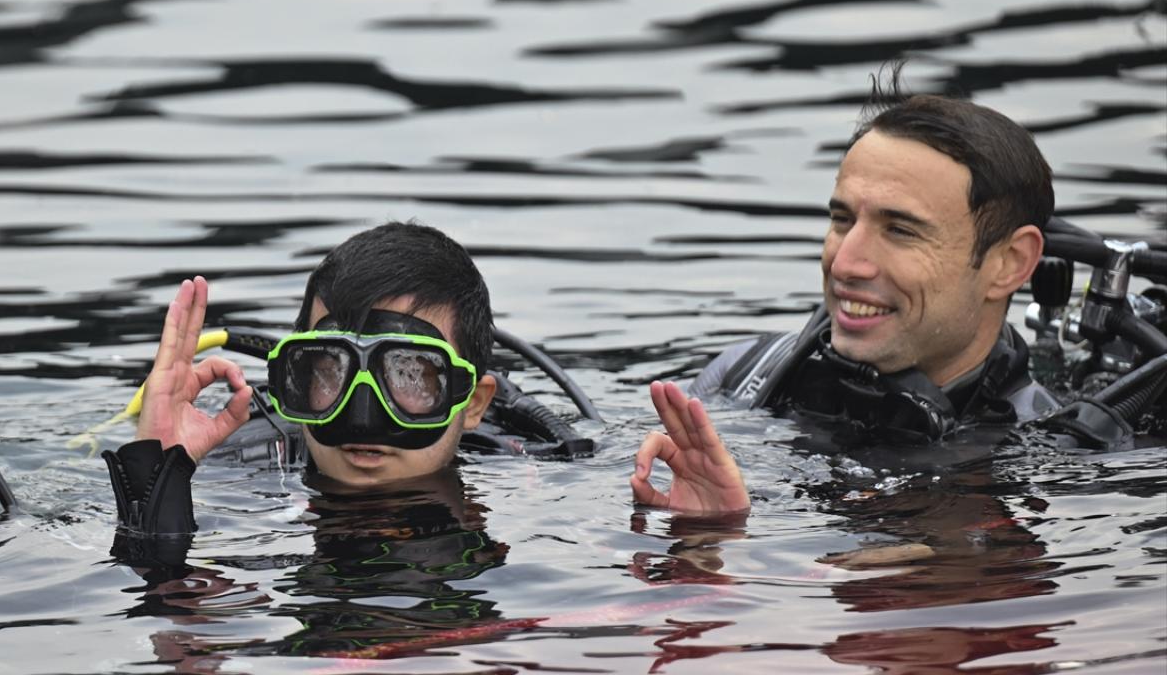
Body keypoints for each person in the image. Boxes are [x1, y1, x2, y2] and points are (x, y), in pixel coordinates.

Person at [631, 92, 1061, 514]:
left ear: (1009, 263)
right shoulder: (744, 377)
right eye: (842, 220)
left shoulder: (1050, 459)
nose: (845, 263)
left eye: (900, 231)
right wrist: (711, 530)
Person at [103, 221, 563, 537]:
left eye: (408, 375)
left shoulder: (546, 481)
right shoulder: (234, 467)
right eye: (328, 370)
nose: (361, 418)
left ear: (474, 404)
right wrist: (156, 473)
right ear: (294, 382)